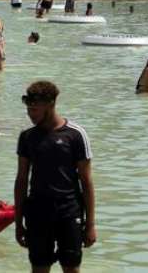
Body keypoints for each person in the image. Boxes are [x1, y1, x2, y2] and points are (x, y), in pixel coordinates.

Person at [15, 81, 96, 273]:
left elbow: (87, 182)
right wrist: (18, 223)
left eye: (35, 110)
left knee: (71, 268)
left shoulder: (76, 135)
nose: (30, 114)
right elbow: (21, 181)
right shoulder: (27, 137)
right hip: (37, 212)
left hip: (69, 212)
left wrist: (90, 224)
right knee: (39, 268)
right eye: (28, 110)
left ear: (51, 104)